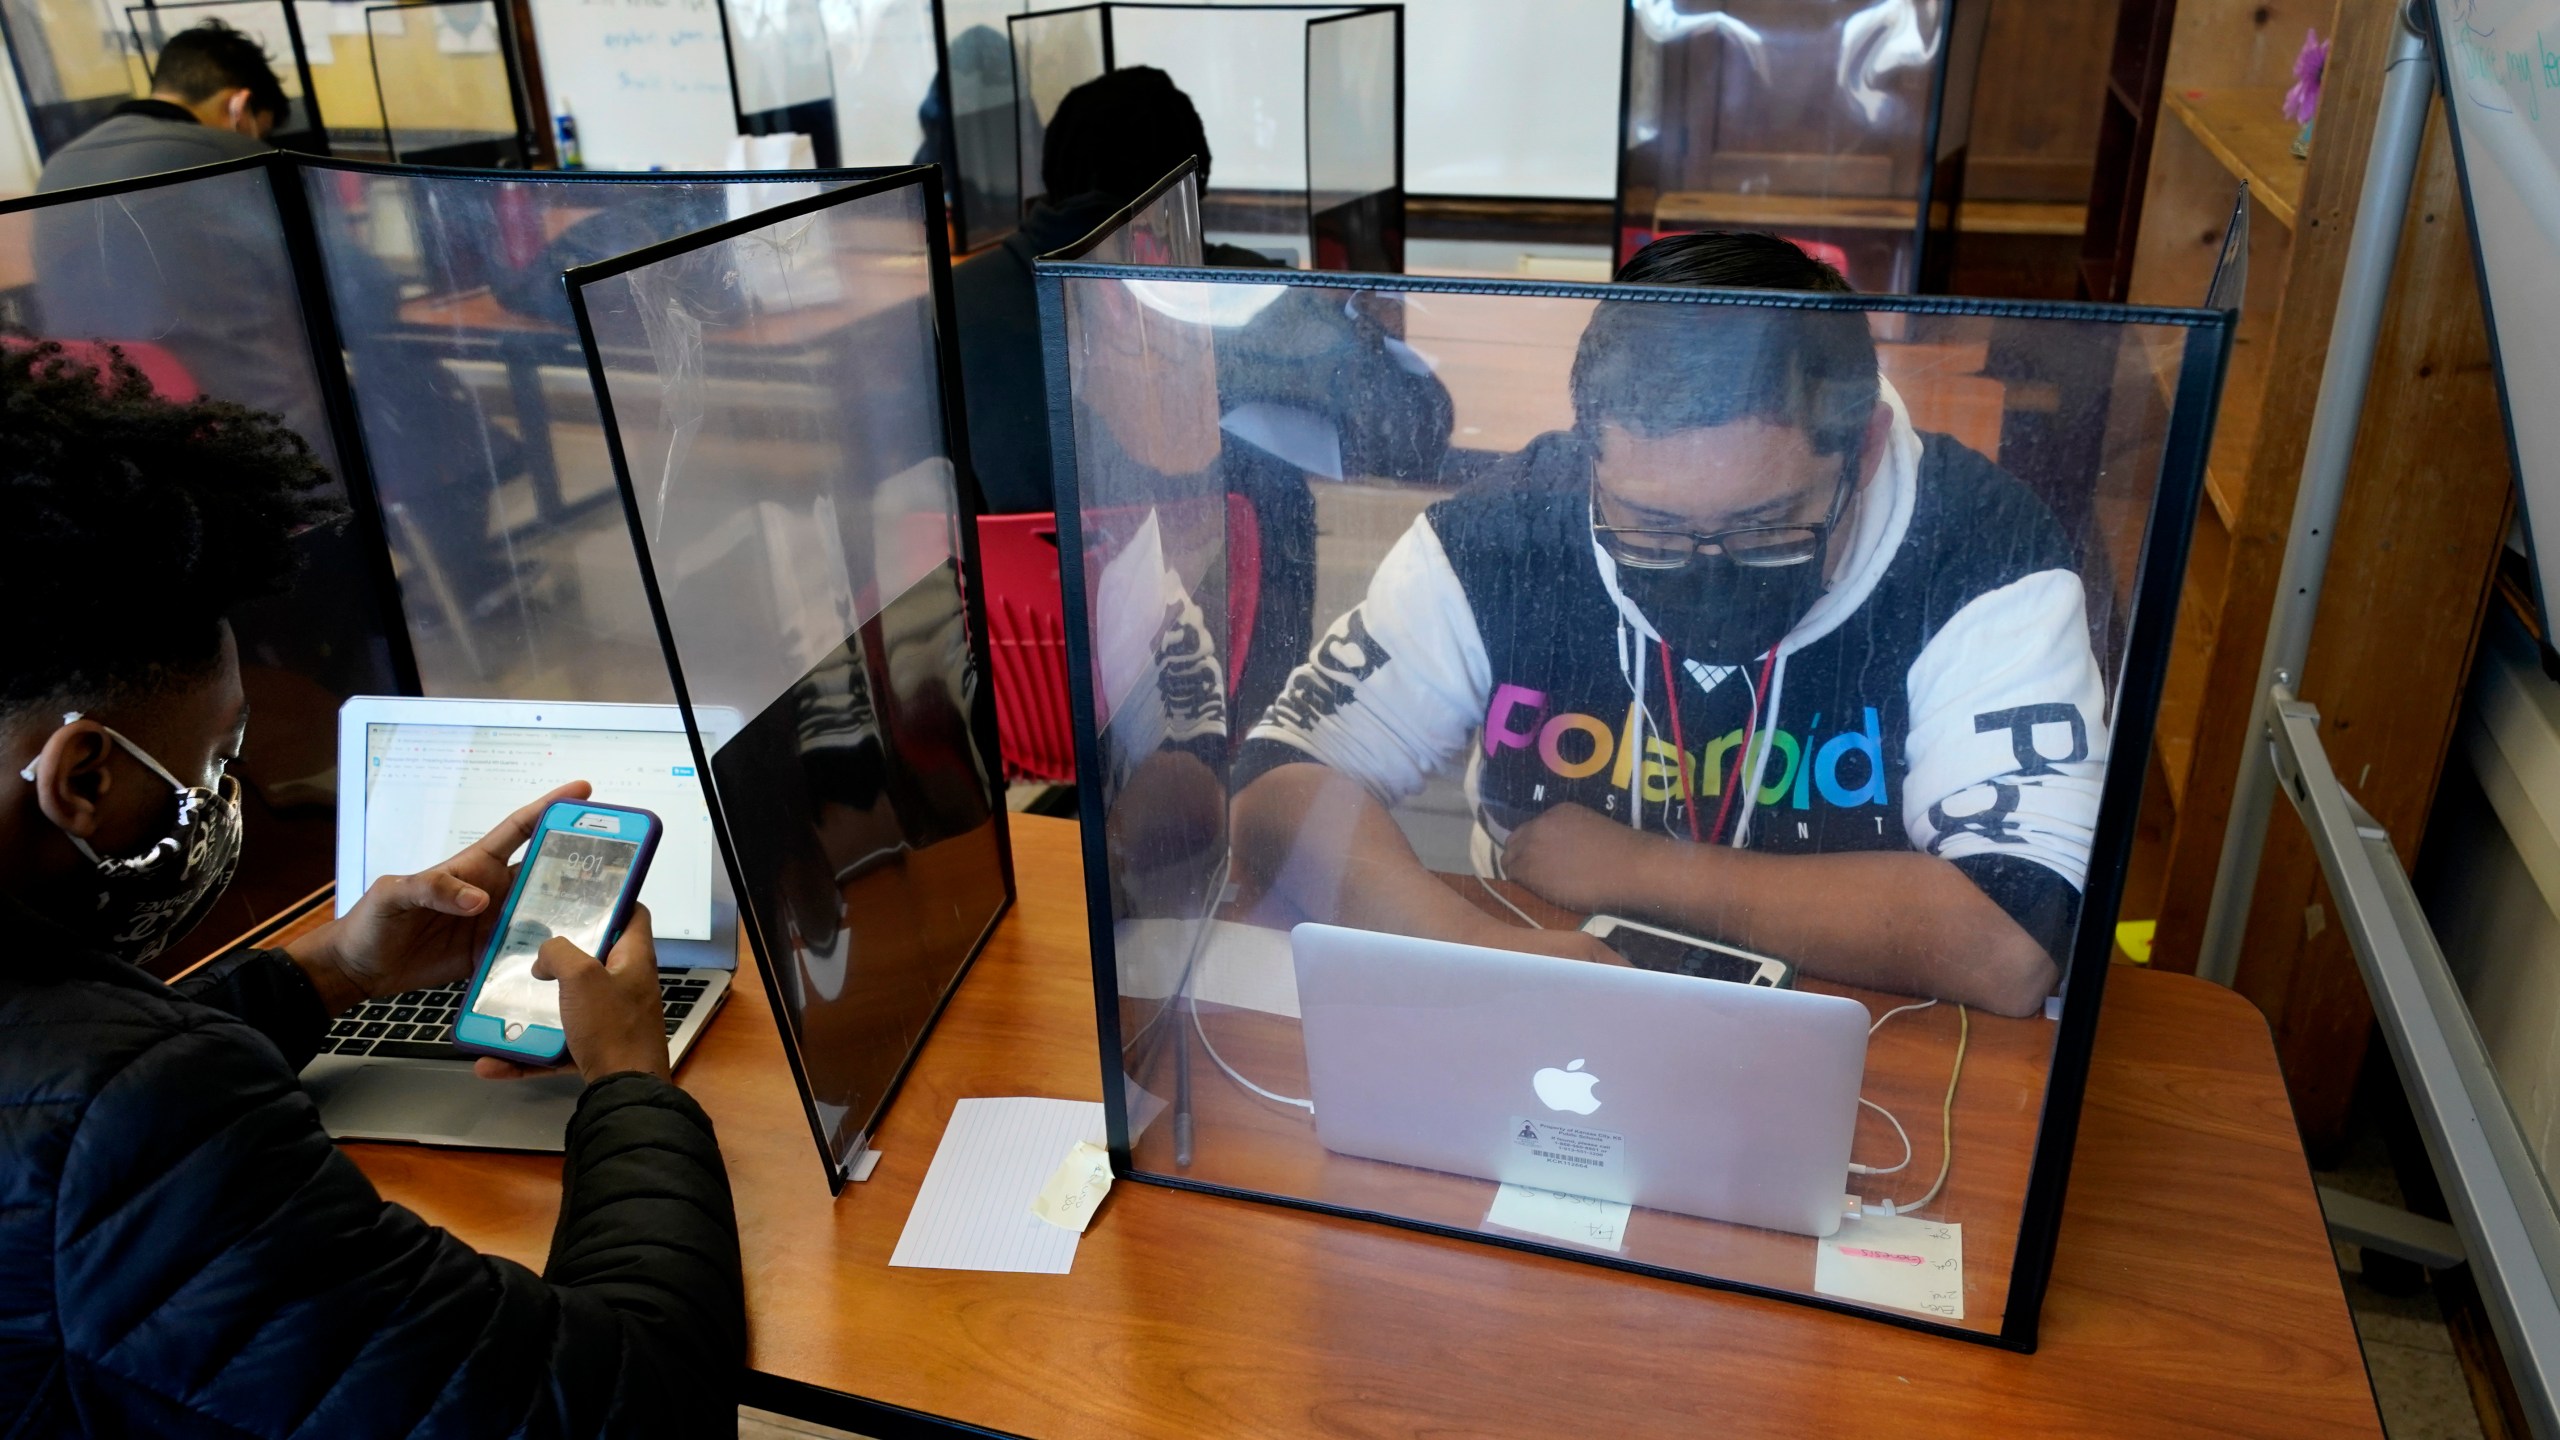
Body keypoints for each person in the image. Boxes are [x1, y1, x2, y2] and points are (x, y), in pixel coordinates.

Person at [0, 343, 743, 1435]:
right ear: (86, 777)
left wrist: (327, 971)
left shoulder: (82, 1081)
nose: (226, 793)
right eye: (214, 761)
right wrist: (633, 1083)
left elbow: (50, 1102)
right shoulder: (152, 1117)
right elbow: (641, 1404)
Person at [1229, 232, 2105, 1018]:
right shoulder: (1509, 531)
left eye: (1766, 527)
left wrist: (1637, 868)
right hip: (1543, 984)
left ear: (1864, 450)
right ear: (1590, 457)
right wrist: (1482, 959)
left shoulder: (1980, 556)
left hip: (1865, 1026)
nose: (1704, 568)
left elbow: (2010, 941)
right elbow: (1277, 784)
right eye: (1649, 528)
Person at [38, 19, 284, 188]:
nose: (253, 143)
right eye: (257, 133)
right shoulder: (233, 156)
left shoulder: (57, 165)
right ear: (239, 107)